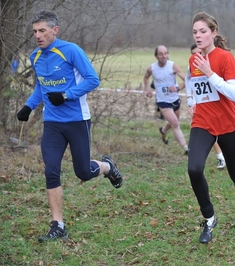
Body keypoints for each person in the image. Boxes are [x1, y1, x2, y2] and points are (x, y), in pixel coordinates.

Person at [16, 10, 123, 243]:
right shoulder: (35, 56)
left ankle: (106, 167)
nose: (38, 35)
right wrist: (29, 106)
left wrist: (66, 95)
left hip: (77, 120)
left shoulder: (71, 51)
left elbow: (93, 79)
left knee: (83, 171)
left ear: (55, 30)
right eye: (35, 31)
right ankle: (58, 225)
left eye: (42, 30)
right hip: (52, 124)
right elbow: (41, 88)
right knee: (51, 170)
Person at [187, 11, 235, 244]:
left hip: (227, 125)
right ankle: (209, 217)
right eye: (195, 32)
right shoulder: (193, 59)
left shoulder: (225, 58)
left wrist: (210, 73)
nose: (198, 36)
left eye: (203, 31)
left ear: (214, 33)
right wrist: (192, 102)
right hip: (203, 123)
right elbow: (196, 87)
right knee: (194, 168)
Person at [143, 45, 189, 155]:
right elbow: (146, 77)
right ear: (156, 56)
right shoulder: (152, 68)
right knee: (175, 124)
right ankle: (186, 148)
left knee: (173, 121)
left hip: (174, 99)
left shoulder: (173, 66)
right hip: (162, 101)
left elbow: (187, 80)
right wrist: (147, 88)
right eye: (161, 54)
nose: (164, 56)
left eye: (165, 53)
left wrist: (178, 88)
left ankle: (163, 130)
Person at [186, 44, 226, 169]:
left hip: (218, 108)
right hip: (200, 106)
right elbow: (188, 81)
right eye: (193, 54)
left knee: (219, 132)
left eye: (199, 53)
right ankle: (220, 157)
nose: (196, 56)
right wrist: (190, 99)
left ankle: (224, 155)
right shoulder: (192, 65)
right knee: (206, 130)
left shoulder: (212, 65)